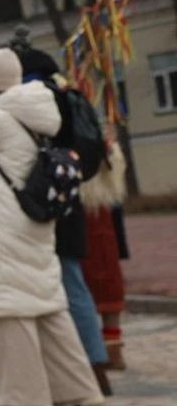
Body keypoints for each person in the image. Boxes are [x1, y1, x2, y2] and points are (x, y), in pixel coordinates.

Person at [0, 49, 103, 406]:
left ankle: (25, 397)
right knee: (48, 307)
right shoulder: (40, 113)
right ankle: (78, 389)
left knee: (7, 310)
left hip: (1, 225)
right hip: (35, 222)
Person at [13, 44, 112, 396]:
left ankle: (83, 371)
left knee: (60, 289)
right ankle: (96, 365)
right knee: (74, 285)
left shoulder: (34, 101)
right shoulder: (69, 96)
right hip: (70, 201)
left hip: (44, 206)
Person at [79, 138, 128, 371]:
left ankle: (102, 350)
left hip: (82, 207)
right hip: (98, 203)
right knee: (106, 274)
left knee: (85, 281)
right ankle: (112, 347)